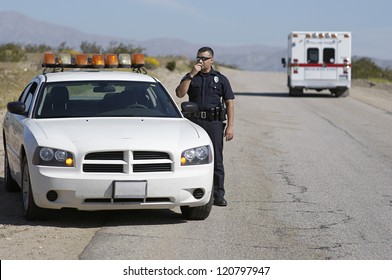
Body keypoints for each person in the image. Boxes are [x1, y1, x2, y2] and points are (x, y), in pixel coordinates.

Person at [175, 46, 234, 207]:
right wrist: (191, 74)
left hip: (214, 123)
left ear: (211, 60)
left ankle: (218, 194)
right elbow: (180, 94)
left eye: (204, 58)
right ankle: (189, 192)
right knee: (189, 158)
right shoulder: (191, 77)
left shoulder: (220, 79)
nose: (200, 61)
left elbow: (229, 102)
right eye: (198, 58)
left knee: (216, 159)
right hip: (193, 123)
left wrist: (230, 126)